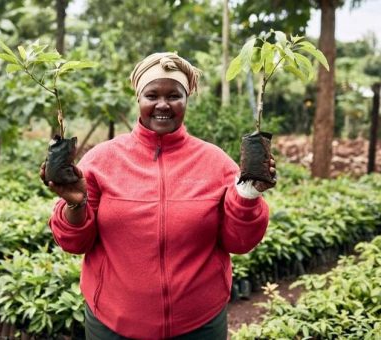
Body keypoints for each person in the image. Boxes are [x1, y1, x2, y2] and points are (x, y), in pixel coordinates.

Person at [41, 52, 276, 340]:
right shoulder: (102, 160)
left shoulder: (216, 163)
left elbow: (239, 242)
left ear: (186, 99)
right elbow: (74, 243)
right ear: (138, 99)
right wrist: (76, 204)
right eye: (152, 95)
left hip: (199, 325)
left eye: (174, 95)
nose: (163, 104)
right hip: (113, 326)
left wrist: (247, 195)